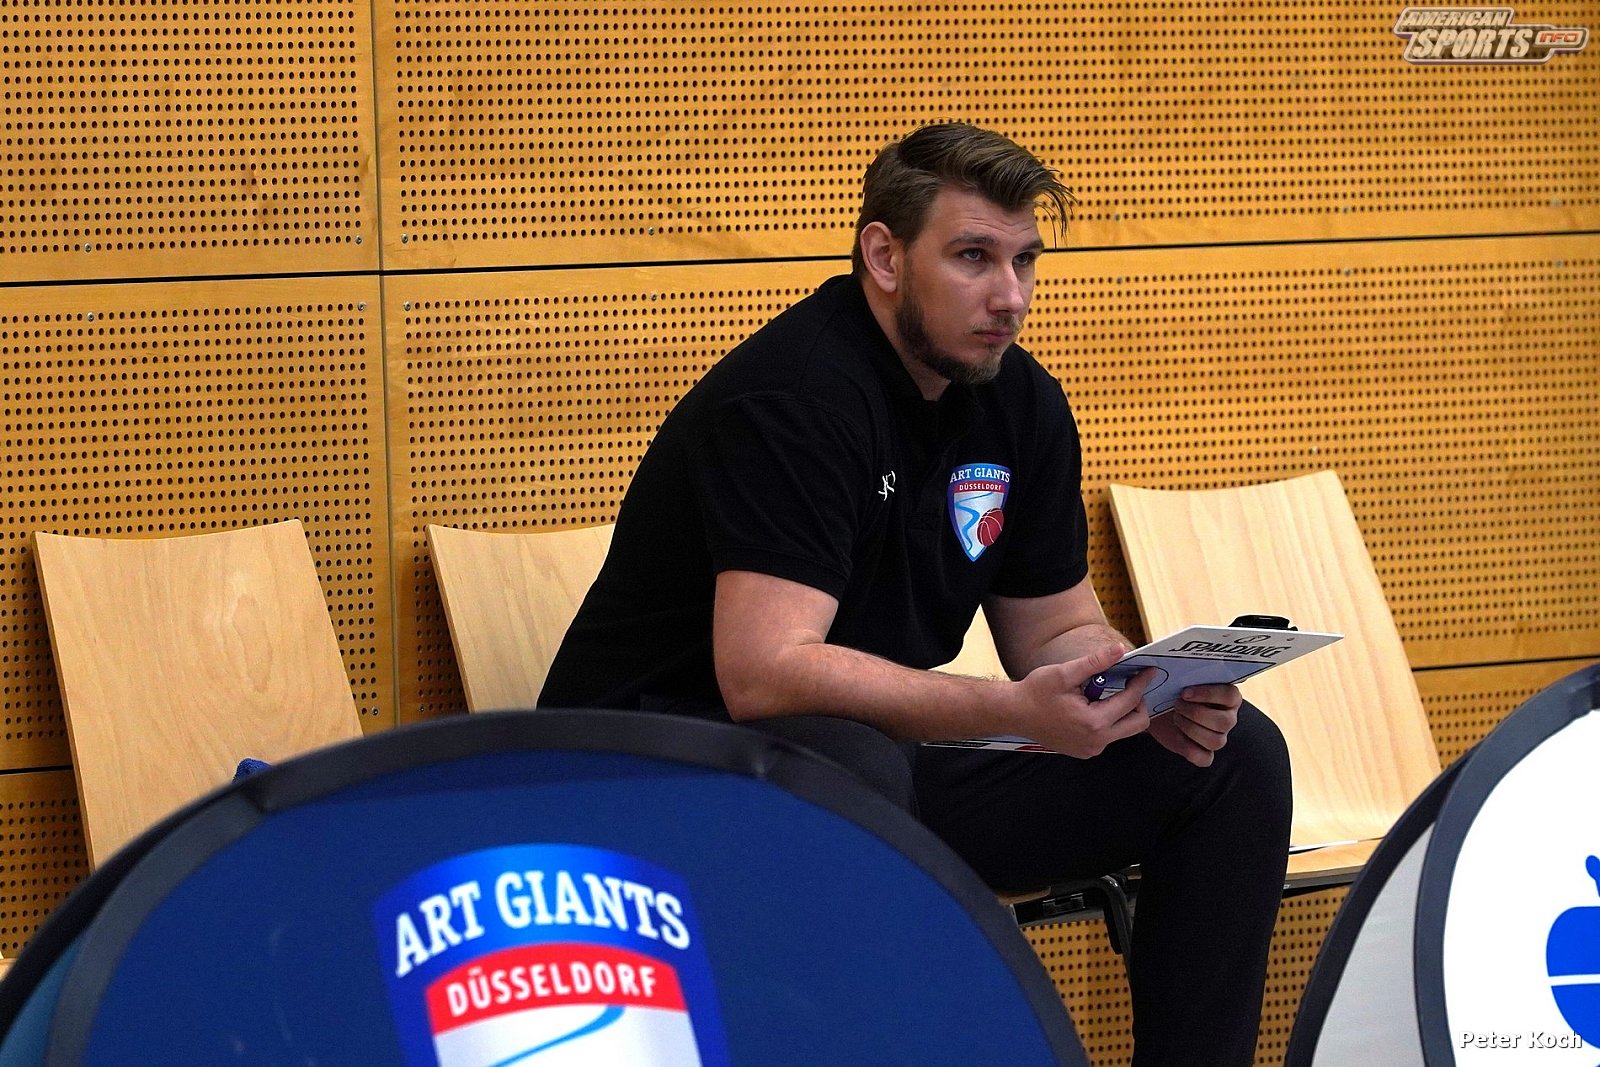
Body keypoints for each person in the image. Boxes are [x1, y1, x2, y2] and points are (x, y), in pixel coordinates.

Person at [540, 122, 1292, 1066]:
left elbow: (1054, 624)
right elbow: (763, 674)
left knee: (1231, 757)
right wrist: (1011, 710)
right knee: (853, 767)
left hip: (864, 768)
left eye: (1024, 261)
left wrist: (1130, 687)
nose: (1009, 295)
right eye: (973, 257)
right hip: (651, 774)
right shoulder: (796, 399)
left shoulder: (1018, 401)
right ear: (885, 257)